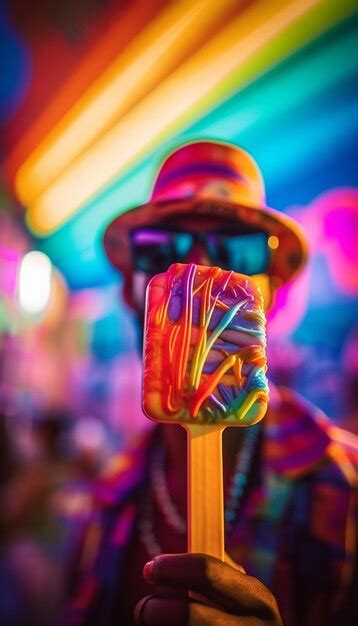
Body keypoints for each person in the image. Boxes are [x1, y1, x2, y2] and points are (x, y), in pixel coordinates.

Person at [61, 141, 357, 626]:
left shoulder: (347, 493)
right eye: (162, 248)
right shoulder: (102, 508)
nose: (198, 272)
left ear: (272, 297)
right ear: (131, 294)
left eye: (236, 248)